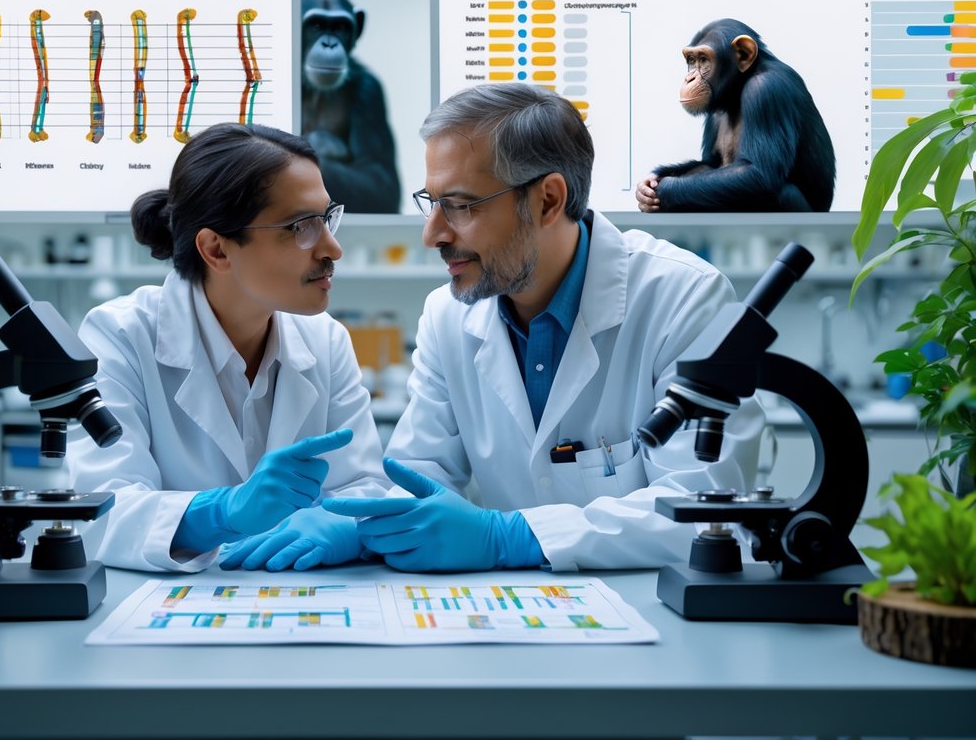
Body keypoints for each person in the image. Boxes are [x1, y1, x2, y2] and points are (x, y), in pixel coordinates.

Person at [325, 83, 763, 572]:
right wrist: (362, 527)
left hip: (649, 607)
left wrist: (511, 537)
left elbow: (705, 508)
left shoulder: (684, 297)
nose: (433, 234)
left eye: (461, 205)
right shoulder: (447, 316)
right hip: (511, 608)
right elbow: (420, 475)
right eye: (432, 202)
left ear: (549, 200)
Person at [67, 123, 388, 573]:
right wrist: (220, 513)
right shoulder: (121, 336)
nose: (332, 249)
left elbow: (365, 488)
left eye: (327, 218)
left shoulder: (325, 340)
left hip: (298, 597)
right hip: (168, 607)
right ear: (216, 249)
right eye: (301, 226)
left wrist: (344, 525)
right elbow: (102, 510)